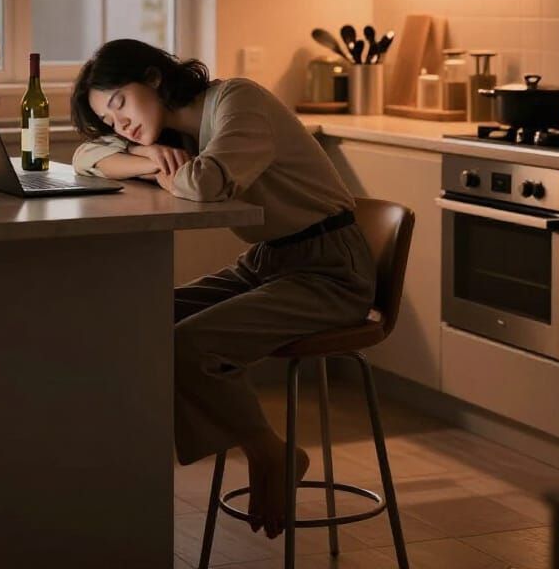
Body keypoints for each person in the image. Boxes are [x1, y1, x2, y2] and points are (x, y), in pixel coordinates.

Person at [70, 38, 376, 540]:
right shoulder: (173, 135)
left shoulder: (238, 100)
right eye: (109, 119)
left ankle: (269, 453)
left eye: (120, 103)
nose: (119, 124)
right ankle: (123, 478)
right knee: (140, 319)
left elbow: (206, 183)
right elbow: (85, 155)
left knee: (188, 346)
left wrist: (160, 167)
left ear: (153, 77)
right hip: (267, 261)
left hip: (330, 271)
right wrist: (150, 155)